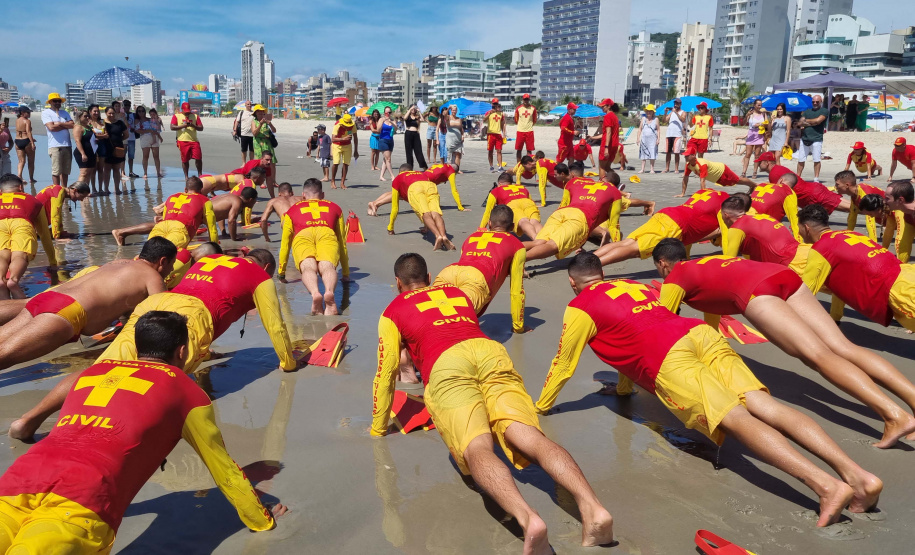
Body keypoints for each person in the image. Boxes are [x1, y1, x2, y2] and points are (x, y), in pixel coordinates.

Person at [535, 252, 883, 528]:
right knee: (764, 405)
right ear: (602, 273)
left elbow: (564, 364)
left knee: (735, 419)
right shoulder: (635, 286)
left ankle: (825, 485)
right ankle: (858, 475)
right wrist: (625, 389)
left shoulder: (580, 307)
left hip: (669, 358)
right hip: (697, 334)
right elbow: (630, 334)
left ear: (572, 281)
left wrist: (543, 405)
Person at [372, 253, 614, 552]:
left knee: (477, 448)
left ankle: (528, 519)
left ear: (398, 283)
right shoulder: (456, 293)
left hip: (447, 365)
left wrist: (378, 427)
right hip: (490, 352)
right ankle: (594, 508)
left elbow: (385, 373)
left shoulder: (392, 311)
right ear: (429, 275)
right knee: (530, 436)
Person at [0, 312, 285, 553]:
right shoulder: (184, 391)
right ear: (182, 351)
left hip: (17, 480)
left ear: (138, 349)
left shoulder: (92, 374)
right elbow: (224, 471)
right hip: (84, 498)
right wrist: (262, 520)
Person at [654, 239, 915, 448]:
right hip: (781, 275)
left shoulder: (674, 278)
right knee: (843, 347)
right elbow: (713, 304)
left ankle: (895, 416)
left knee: (818, 357)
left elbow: (659, 327)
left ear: (663, 263)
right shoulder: (707, 262)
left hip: (756, 291)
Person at [0, 236, 173, 383]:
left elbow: (122, 306)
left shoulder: (116, 263)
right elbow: (159, 321)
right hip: (67, 311)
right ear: (162, 261)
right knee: (4, 357)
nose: (171, 270)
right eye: (171, 265)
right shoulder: (153, 276)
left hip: (47, 298)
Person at [798, 203, 915, 333]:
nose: (797, 232)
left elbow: (805, 291)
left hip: (899, 289)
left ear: (806, 228)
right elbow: (840, 287)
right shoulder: (850, 233)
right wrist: (835, 318)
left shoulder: (821, 248)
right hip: (908, 272)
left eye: (799, 228)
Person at [434, 205, 527, 334]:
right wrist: (518, 327)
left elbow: (464, 260)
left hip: (450, 271)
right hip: (476, 278)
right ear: (512, 227)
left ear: (489, 223)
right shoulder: (517, 245)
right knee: (452, 325)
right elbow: (516, 291)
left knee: (431, 314)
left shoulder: (472, 237)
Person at [592, 188, 733, 266]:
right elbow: (727, 239)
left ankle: (588, 259)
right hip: (676, 225)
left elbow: (692, 232)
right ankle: (591, 267)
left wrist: (686, 260)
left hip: (667, 213)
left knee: (627, 242)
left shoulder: (707, 192)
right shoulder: (725, 208)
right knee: (634, 250)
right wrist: (729, 262)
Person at [278, 178, 350, 315]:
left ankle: (315, 293)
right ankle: (329, 292)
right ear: (322, 195)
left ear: (303, 195)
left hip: (303, 234)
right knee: (327, 266)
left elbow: (285, 244)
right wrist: (345, 273)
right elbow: (342, 243)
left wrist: (281, 272)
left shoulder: (292, 211)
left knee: (308, 267)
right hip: (326, 231)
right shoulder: (335, 208)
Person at [524, 163, 620, 261]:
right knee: (553, 246)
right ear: (616, 186)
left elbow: (563, 204)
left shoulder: (577, 182)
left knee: (539, 242)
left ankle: (511, 251)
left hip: (561, 213)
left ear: (602, 178)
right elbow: (614, 226)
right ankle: (518, 260)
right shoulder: (615, 193)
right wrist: (618, 246)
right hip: (580, 218)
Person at [112, 177, 218, 247]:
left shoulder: (172, 197)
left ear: (185, 189)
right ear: (201, 190)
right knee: (168, 253)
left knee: (150, 253)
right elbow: (212, 227)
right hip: (180, 229)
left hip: (161, 226)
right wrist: (215, 249)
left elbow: (165, 216)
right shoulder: (205, 200)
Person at [0, 174, 57, 299]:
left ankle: (1, 281)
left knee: (2, 255)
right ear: (21, 187)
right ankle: (13, 280)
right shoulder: (33, 201)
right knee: (19, 255)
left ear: (1, 191)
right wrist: (53, 262)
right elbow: (44, 235)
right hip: (22, 223)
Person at [386, 164, 454, 251]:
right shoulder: (421, 173)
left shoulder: (398, 178)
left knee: (425, 213)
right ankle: (444, 236)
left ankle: (438, 236)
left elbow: (395, 207)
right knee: (435, 213)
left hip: (415, 188)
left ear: (400, 172)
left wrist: (390, 228)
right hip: (430, 185)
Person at [756, 154, 849, 214]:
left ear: (767, 162)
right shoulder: (778, 169)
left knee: (851, 208)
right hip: (813, 190)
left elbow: (779, 195)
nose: (758, 165)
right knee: (851, 206)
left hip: (811, 195)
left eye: (760, 162)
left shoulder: (774, 173)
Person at [480, 172, 542, 239]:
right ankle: (544, 239)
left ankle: (536, 239)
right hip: (528, 202)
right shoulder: (522, 187)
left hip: (512, 203)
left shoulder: (496, 190)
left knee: (523, 221)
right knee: (534, 221)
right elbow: (530, 199)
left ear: (499, 183)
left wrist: (481, 228)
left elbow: (488, 212)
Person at [680, 145, 756, 196]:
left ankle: (755, 185)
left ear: (693, 155)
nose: (685, 157)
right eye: (685, 156)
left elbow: (702, 181)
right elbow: (685, 178)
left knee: (737, 180)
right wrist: (683, 193)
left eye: (687, 155)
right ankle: (752, 186)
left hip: (722, 170)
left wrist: (703, 195)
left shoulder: (701, 164)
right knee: (733, 183)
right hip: (716, 178)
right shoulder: (688, 164)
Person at [833, 170, 886, 242]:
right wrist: (847, 236)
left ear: (847, 185)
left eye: (837, 184)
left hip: (893, 215)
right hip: (884, 219)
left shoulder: (864, 194)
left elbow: (870, 223)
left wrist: (873, 243)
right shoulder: (854, 194)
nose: (835, 187)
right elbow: (852, 217)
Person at [41, 93, 74, 188]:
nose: (57, 103)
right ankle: (56, 189)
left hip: (67, 145)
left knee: (66, 171)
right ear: (50, 102)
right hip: (55, 145)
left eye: (58, 101)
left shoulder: (65, 113)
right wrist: (65, 125)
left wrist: (59, 123)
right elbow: (51, 128)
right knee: (56, 170)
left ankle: (64, 189)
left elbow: (72, 125)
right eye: (55, 101)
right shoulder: (46, 113)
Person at [796, 95, 828, 181]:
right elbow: (799, 123)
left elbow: (818, 121)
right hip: (804, 138)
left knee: (816, 159)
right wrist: (812, 122)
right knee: (801, 159)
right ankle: (798, 177)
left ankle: (816, 178)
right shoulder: (807, 111)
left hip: (817, 138)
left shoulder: (824, 111)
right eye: (813, 102)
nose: (815, 103)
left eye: (817, 102)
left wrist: (806, 121)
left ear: (821, 101)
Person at [171, 102, 204, 181]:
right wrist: (184, 125)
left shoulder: (195, 116)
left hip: (194, 140)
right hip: (182, 140)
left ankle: (200, 174)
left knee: (198, 158)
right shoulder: (176, 116)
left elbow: (201, 128)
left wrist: (193, 125)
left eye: (188, 111)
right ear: (182, 110)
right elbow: (172, 127)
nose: (187, 113)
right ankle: (186, 176)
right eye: (185, 111)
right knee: (185, 159)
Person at [103, 105, 129, 195]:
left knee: (116, 169)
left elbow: (126, 134)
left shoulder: (120, 123)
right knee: (106, 169)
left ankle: (117, 189)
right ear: (106, 113)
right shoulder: (103, 123)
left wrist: (119, 140)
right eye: (109, 113)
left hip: (118, 148)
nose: (111, 115)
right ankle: (106, 189)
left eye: (113, 113)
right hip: (106, 148)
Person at [331, 113, 359, 190]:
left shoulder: (352, 125)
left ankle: (342, 182)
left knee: (346, 164)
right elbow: (333, 139)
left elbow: (355, 138)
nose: (347, 126)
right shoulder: (338, 125)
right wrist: (343, 139)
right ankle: (332, 181)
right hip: (337, 145)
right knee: (336, 163)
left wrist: (356, 150)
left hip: (347, 145)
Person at [742, 99, 768, 178]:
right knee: (748, 154)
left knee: (757, 155)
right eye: (758, 105)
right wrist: (747, 115)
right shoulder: (750, 114)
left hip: (759, 135)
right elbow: (743, 123)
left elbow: (767, 124)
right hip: (751, 134)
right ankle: (744, 172)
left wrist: (760, 124)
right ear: (754, 105)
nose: (760, 107)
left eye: (761, 105)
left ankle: (755, 172)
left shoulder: (763, 114)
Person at [70, 109, 96, 186]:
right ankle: (78, 190)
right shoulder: (78, 127)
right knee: (83, 173)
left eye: (88, 116)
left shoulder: (89, 127)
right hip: (82, 152)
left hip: (91, 152)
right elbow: (77, 141)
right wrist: (83, 154)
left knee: (89, 172)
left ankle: (86, 191)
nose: (87, 117)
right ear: (79, 117)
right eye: (85, 116)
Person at [87, 104, 108, 195]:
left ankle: (100, 188)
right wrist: (101, 136)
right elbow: (91, 135)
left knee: (101, 168)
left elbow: (106, 135)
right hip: (92, 146)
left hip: (102, 145)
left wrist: (99, 136)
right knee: (93, 169)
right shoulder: (88, 122)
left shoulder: (102, 122)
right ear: (90, 112)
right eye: (94, 111)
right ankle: (94, 188)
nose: (96, 113)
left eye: (97, 111)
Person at [138, 107, 164, 179]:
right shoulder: (145, 120)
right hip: (145, 138)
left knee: (156, 156)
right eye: (151, 114)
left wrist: (160, 137)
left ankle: (158, 172)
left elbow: (158, 129)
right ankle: (145, 173)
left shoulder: (156, 120)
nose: (152, 115)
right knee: (145, 156)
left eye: (153, 114)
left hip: (155, 137)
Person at [484, 98, 507, 172]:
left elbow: (503, 124)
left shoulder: (501, 113)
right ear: (492, 104)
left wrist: (504, 133)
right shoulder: (488, 112)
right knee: (490, 151)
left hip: (498, 134)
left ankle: (500, 167)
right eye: (494, 104)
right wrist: (490, 113)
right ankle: (491, 166)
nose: (495, 105)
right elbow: (484, 120)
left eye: (496, 104)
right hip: (490, 134)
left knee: (499, 151)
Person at [663, 98, 686, 173]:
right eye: (675, 103)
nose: (676, 104)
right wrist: (665, 113)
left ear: (680, 104)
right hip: (669, 134)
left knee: (676, 152)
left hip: (677, 134)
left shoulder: (683, 112)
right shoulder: (671, 112)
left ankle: (676, 168)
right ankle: (667, 168)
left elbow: (683, 120)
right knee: (668, 152)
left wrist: (676, 112)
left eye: (677, 103)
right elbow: (664, 121)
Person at [14, 107, 36, 184]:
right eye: (28, 112)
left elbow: (21, 131)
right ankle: (31, 178)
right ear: (23, 113)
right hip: (26, 141)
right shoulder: (27, 121)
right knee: (31, 161)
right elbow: (28, 132)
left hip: (17, 141)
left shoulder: (17, 120)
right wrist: (32, 143)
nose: (29, 114)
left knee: (21, 161)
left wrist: (32, 139)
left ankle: (19, 176)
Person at [514, 93, 538, 162]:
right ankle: (519, 164)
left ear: (529, 100)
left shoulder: (533, 108)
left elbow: (534, 119)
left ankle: (528, 164)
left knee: (529, 150)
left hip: (529, 131)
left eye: (527, 99)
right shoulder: (518, 109)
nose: (526, 101)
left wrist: (529, 125)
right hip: (520, 131)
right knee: (519, 149)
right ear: (522, 100)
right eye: (525, 99)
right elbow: (516, 119)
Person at [636, 104, 660, 173]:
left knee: (652, 153)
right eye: (647, 111)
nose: (649, 112)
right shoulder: (643, 119)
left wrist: (658, 139)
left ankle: (652, 169)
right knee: (643, 153)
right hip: (644, 139)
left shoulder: (656, 119)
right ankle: (642, 169)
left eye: (650, 111)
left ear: (653, 112)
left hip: (653, 139)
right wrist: (638, 138)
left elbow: (658, 130)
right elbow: (640, 129)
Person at [403, 105, 427, 171]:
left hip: (416, 134)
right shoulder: (408, 116)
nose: (413, 109)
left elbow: (422, 119)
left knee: (419, 151)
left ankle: (424, 167)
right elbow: (404, 118)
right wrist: (410, 109)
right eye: (412, 108)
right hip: (408, 134)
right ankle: (410, 169)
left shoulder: (417, 117)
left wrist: (419, 112)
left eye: (414, 108)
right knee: (409, 153)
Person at [233, 99, 255, 164]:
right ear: (245, 105)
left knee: (252, 150)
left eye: (250, 104)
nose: (249, 105)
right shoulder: (242, 112)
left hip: (252, 134)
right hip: (244, 134)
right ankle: (244, 162)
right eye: (248, 104)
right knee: (243, 150)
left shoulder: (254, 113)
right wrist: (235, 130)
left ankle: (251, 162)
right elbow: (237, 122)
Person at [445, 105, 464, 173]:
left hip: (458, 138)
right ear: (451, 111)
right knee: (450, 154)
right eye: (453, 110)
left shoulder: (459, 119)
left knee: (458, 154)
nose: (454, 111)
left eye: (455, 110)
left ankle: (457, 169)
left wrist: (462, 135)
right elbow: (444, 114)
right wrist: (449, 108)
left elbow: (461, 128)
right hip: (450, 138)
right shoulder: (448, 117)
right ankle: (449, 169)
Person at [123, 98, 139, 178]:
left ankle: (131, 171)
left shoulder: (133, 115)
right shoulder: (121, 115)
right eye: (125, 105)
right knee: (122, 156)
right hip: (124, 138)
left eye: (128, 105)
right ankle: (123, 172)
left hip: (132, 137)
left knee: (131, 156)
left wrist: (135, 129)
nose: (127, 107)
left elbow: (137, 124)